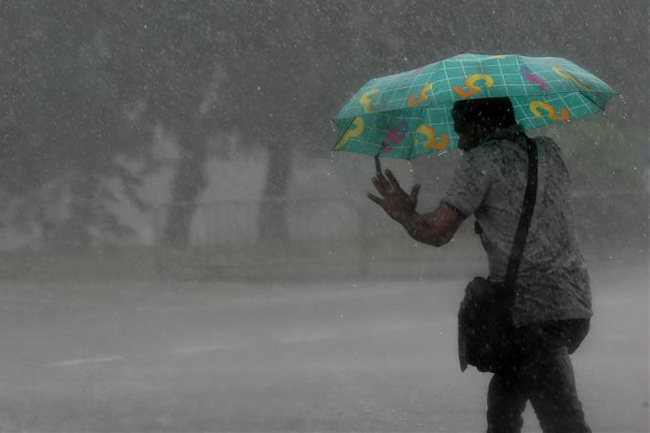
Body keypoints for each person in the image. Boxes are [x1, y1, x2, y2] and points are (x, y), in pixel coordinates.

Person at [367, 97, 593, 432]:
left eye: (462, 130)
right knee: (503, 408)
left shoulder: (481, 160)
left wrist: (406, 216)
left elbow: (437, 232)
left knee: (563, 422)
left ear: (483, 125)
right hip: (573, 301)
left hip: (529, 311)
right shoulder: (548, 150)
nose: (459, 141)